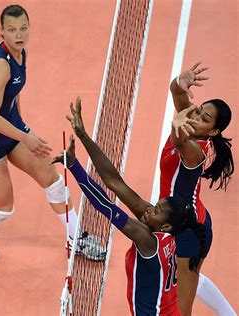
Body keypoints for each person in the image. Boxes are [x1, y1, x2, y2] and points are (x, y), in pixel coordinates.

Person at [0, 4, 102, 261]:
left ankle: (75, 238)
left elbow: (12, 96)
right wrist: (24, 136)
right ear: (1, 33)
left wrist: (23, 126)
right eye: (12, 30)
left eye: (23, 28)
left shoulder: (21, 53)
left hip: (11, 133)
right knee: (4, 207)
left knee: (53, 179)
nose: (19, 35)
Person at [54, 97, 207, 315]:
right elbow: (114, 181)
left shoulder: (147, 239)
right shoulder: (164, 232)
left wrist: (76, 167)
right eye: (155, 205)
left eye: (156, 211)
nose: (148, 210)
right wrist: (83, 136)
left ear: (165, 227)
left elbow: (104, 205)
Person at [165, 62, 235, 315]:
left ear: (213, 131)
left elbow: (178, 136)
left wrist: (181, 115)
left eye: (205, 118)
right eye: (198, 111)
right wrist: (178, 83)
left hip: (189, 232)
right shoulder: (191, 119)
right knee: (186, 278)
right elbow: (177, 94)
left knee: (181, 308)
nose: (196, 117)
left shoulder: (196, 150)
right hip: (181, 219)